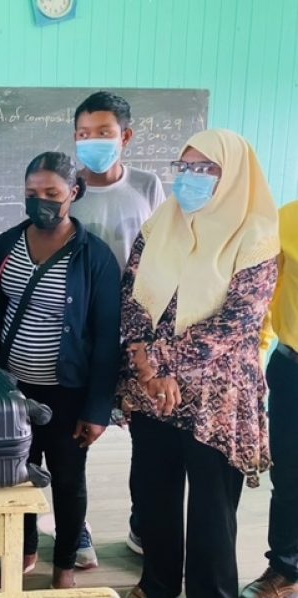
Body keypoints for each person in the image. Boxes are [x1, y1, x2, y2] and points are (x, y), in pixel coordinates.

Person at [117, 129, 279, 598]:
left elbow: (237, 323)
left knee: (211, 511)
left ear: (232, 175)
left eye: (204, 169)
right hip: (151, 391)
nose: (190, 178)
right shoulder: (161, 221)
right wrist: (146, 368)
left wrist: (162, 361)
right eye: (184, 167)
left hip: (216, 397)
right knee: (154, 495)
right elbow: (132, 294)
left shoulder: (256, 235)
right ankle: (159, 584)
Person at [0, 151, 120, 589]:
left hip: (67, 393)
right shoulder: (5, 245)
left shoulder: (96, 257)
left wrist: (97, 409)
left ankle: (66, 566)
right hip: (11, 387)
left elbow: (108, 339)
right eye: (32, 193)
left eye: (52, 194)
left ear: (74, 193)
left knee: (68, 481)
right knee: (16, 475)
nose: (41, 202)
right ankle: (25, 549)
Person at [71, 90, 167, 562]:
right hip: (85, 332)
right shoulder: (67, 191)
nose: (92, 143)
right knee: (79, 430)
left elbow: (163, 254)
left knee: (146, 436)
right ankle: (77, 526)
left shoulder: (148, 186)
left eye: (103, 134)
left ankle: (141, 526)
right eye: (83, 135)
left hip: (139, 336)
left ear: (125, 137)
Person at [241, 201, 298, 598]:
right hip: (293, 366)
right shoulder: (288, 218)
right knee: (290, 475)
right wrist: (254, 359)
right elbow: (264, 295)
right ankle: (285, 567)